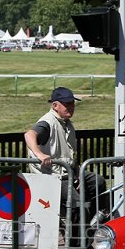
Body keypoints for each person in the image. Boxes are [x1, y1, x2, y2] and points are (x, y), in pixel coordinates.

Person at [24, 87, 107, 225]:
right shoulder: (48, 122)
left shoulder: (67, 124)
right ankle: (77, 239)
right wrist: (40, 154)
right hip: (53, 176)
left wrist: (77, 173)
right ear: (55, 106)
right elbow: (29, 135)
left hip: (67, 172)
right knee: (77, 204)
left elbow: (68, 156)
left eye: (72, 103)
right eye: (67, 104)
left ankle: (94, 222)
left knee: (98, 181)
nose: (72, 107)